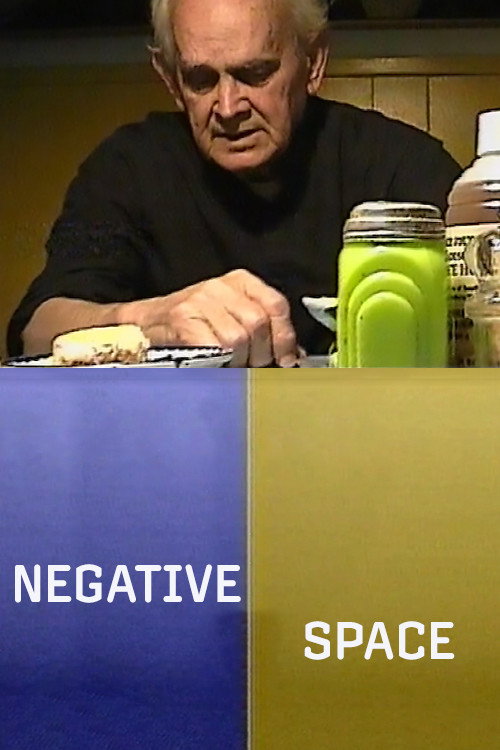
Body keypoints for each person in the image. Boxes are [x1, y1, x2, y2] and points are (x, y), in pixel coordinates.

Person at [7, 0, 461, 366]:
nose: (227, 108)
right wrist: (154, 320)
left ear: (313, 62)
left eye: (255, 74)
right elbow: (37, 331)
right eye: (200, 80)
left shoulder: (397, 164)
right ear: (170, 79)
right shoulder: (129, 168)